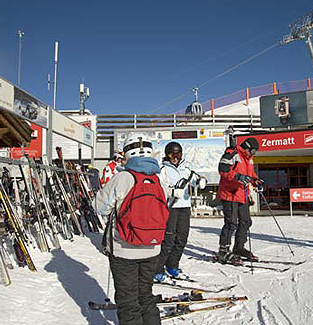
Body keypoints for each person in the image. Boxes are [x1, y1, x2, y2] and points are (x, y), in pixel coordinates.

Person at [94, 133, 166, 325]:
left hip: (124, 249)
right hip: (153, 248)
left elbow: (100, 207)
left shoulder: (123, 178)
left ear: (127, 153)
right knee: (146, 296)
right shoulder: (159, 179)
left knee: (128, 301)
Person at [153, 141, 207, 283]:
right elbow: (158, 189)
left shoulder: (186, 170)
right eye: (172, 154)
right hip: (171, 207)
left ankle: (172, 266)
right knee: (168, 240)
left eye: (178, 154)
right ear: (167, 155)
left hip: (184, 207)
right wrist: (171, 192)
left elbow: (195, 180)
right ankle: (157, 269)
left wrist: (201, 182)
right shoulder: (163, 169)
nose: (175, 157)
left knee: (181, 238)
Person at [216, 137, 261, 265]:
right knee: (231, 223)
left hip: (243, 194)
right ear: (247, 148)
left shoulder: (249, 160)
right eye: (252, 151)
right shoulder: (232, 153)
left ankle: (238, 247)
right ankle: (223, 250)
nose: (253, 154)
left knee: (246, 221)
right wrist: (237, 177)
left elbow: (251, 175)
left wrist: (255, 181)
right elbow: (223, 169)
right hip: (230, 193)